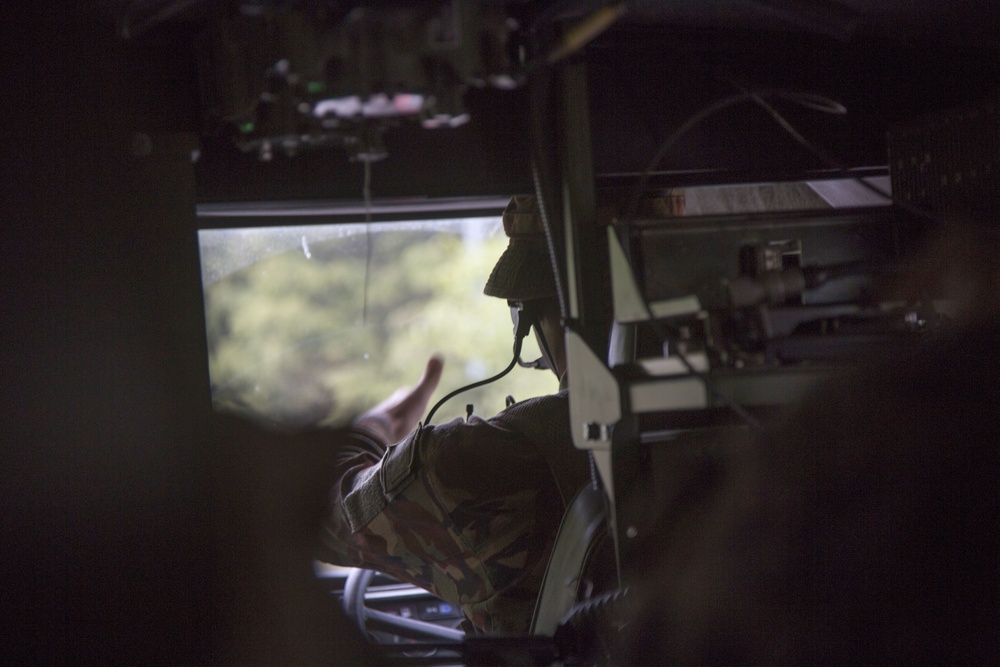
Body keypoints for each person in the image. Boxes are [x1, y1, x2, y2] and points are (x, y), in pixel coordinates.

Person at [318, 195, 592, 634]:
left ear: (527, 310)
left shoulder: (480, 465)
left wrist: (378, 427)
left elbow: (318, 509)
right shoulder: (735, 434)